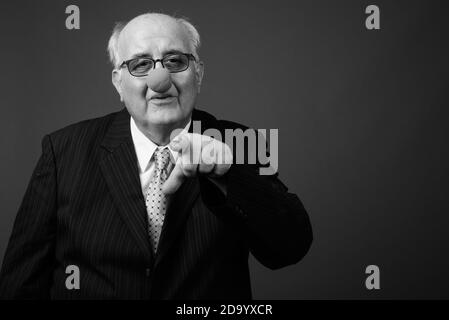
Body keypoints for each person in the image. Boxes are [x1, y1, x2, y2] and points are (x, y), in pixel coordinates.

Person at [0, 12, 312, 299]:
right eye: (140, 65)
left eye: (175, 61)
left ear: (198, 74)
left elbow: (290, 247)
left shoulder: (239, 143)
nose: (159, 81)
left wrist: (227, 173)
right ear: (119, 83)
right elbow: (21, 283)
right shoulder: (63, 150)